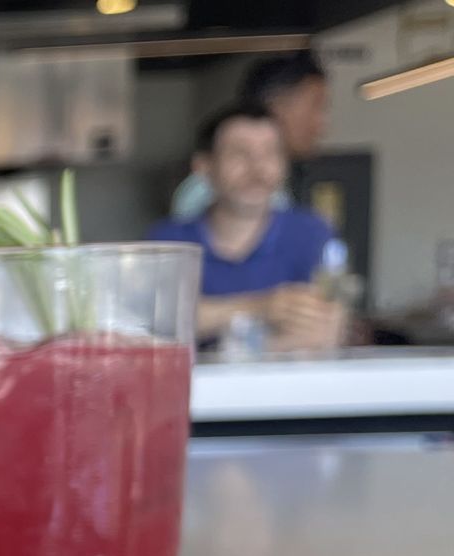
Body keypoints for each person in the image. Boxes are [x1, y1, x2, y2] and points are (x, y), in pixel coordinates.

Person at [146, 103, 344, 351]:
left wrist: (221, 332)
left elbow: (326, 333)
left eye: (270, 153)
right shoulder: (168, 240)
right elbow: (158, 324)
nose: (258, 168)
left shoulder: (310, 232)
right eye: (239, 153)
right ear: (204, 166)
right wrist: (263, 307)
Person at [171, 51, 329, 220]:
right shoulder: (210, 187)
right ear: (277, 105)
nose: (322, 124)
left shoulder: (277, 185)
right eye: (316, 106)